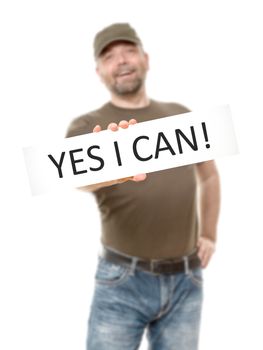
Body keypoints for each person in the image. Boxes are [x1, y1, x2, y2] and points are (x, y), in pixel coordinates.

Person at [66, 23, 220, 350]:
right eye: (109, 56)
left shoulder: (180, 115)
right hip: (121, 281)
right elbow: (76, 177)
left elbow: (208, 175)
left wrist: (209, 232)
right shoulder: (86, 126)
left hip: (186, 281)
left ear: (146, 59)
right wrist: (113, 165)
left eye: (129, 51)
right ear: (99, 72)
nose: (121, 60)